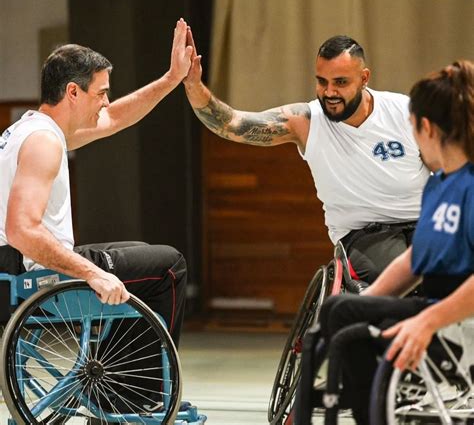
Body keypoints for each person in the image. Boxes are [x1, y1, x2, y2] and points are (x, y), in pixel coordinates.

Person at [0, 18, 194, 350]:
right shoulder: (43, 143)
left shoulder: (31, 130)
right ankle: (129, 391)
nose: (105, 102)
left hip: (17, 268)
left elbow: (116, 117)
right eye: (101, 93)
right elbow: (21, 231)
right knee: (169, 266)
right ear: (73, 92)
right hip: (31, 278)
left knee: (141, 251)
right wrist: (91, 272)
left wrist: (172, 79)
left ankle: (116, 382)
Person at [183, 32, 430, 284]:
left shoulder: (405, 111)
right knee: (403, 278)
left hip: (426, 222)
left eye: (341, 82)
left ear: (364, 78)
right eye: (322, 82)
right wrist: (193, 85)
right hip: (366, 235)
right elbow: (233, 124)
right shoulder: (307, 121)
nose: (330, 92)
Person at [318, 60, 474, 424]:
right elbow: (417, 258)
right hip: (441, 314)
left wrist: (428, 321)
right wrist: (367, 301)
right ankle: (372, 412)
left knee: (348, 319)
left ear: (426, 127)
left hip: (461, 322)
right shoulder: (438, 184)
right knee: (341, 311)